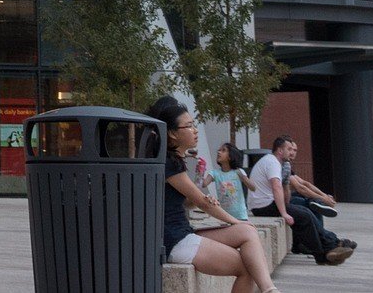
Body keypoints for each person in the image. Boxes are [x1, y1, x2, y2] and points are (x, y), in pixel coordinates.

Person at [147, 98, 282, 293]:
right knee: (246, 267)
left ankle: (270, 289)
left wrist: (196, 202)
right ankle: (269, 290)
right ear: (172, 134)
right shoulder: (169, 163)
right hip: (175, 241)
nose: (195, 130)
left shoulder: (175, 161)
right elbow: (204, 204)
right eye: (189, 126)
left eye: (194, 125)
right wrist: (234, 220)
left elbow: (187, 202)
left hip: (184, 232)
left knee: (248, 232)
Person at [248, 137, 352, 265]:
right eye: (289, 149)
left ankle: (329, 246)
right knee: (305, 216)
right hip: (263, 206)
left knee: (304, 212)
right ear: (280, 151)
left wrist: (287, 207)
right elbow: (276, 187)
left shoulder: (279, 163)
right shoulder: (272, 162)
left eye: (293, 149)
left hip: (266, 204)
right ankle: (326, 251)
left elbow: (285, 188)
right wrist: (284, 213)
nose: (292, 152)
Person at [203, 143, 252, 221]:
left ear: (230, 156)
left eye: (223, 150)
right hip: (224, 216)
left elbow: (253, 188)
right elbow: (204, 184)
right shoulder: (215, 173)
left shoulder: (238, 172)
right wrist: (201, 171)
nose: (219, 152)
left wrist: (244, 178)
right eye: (219, 150)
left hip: (240, 215)